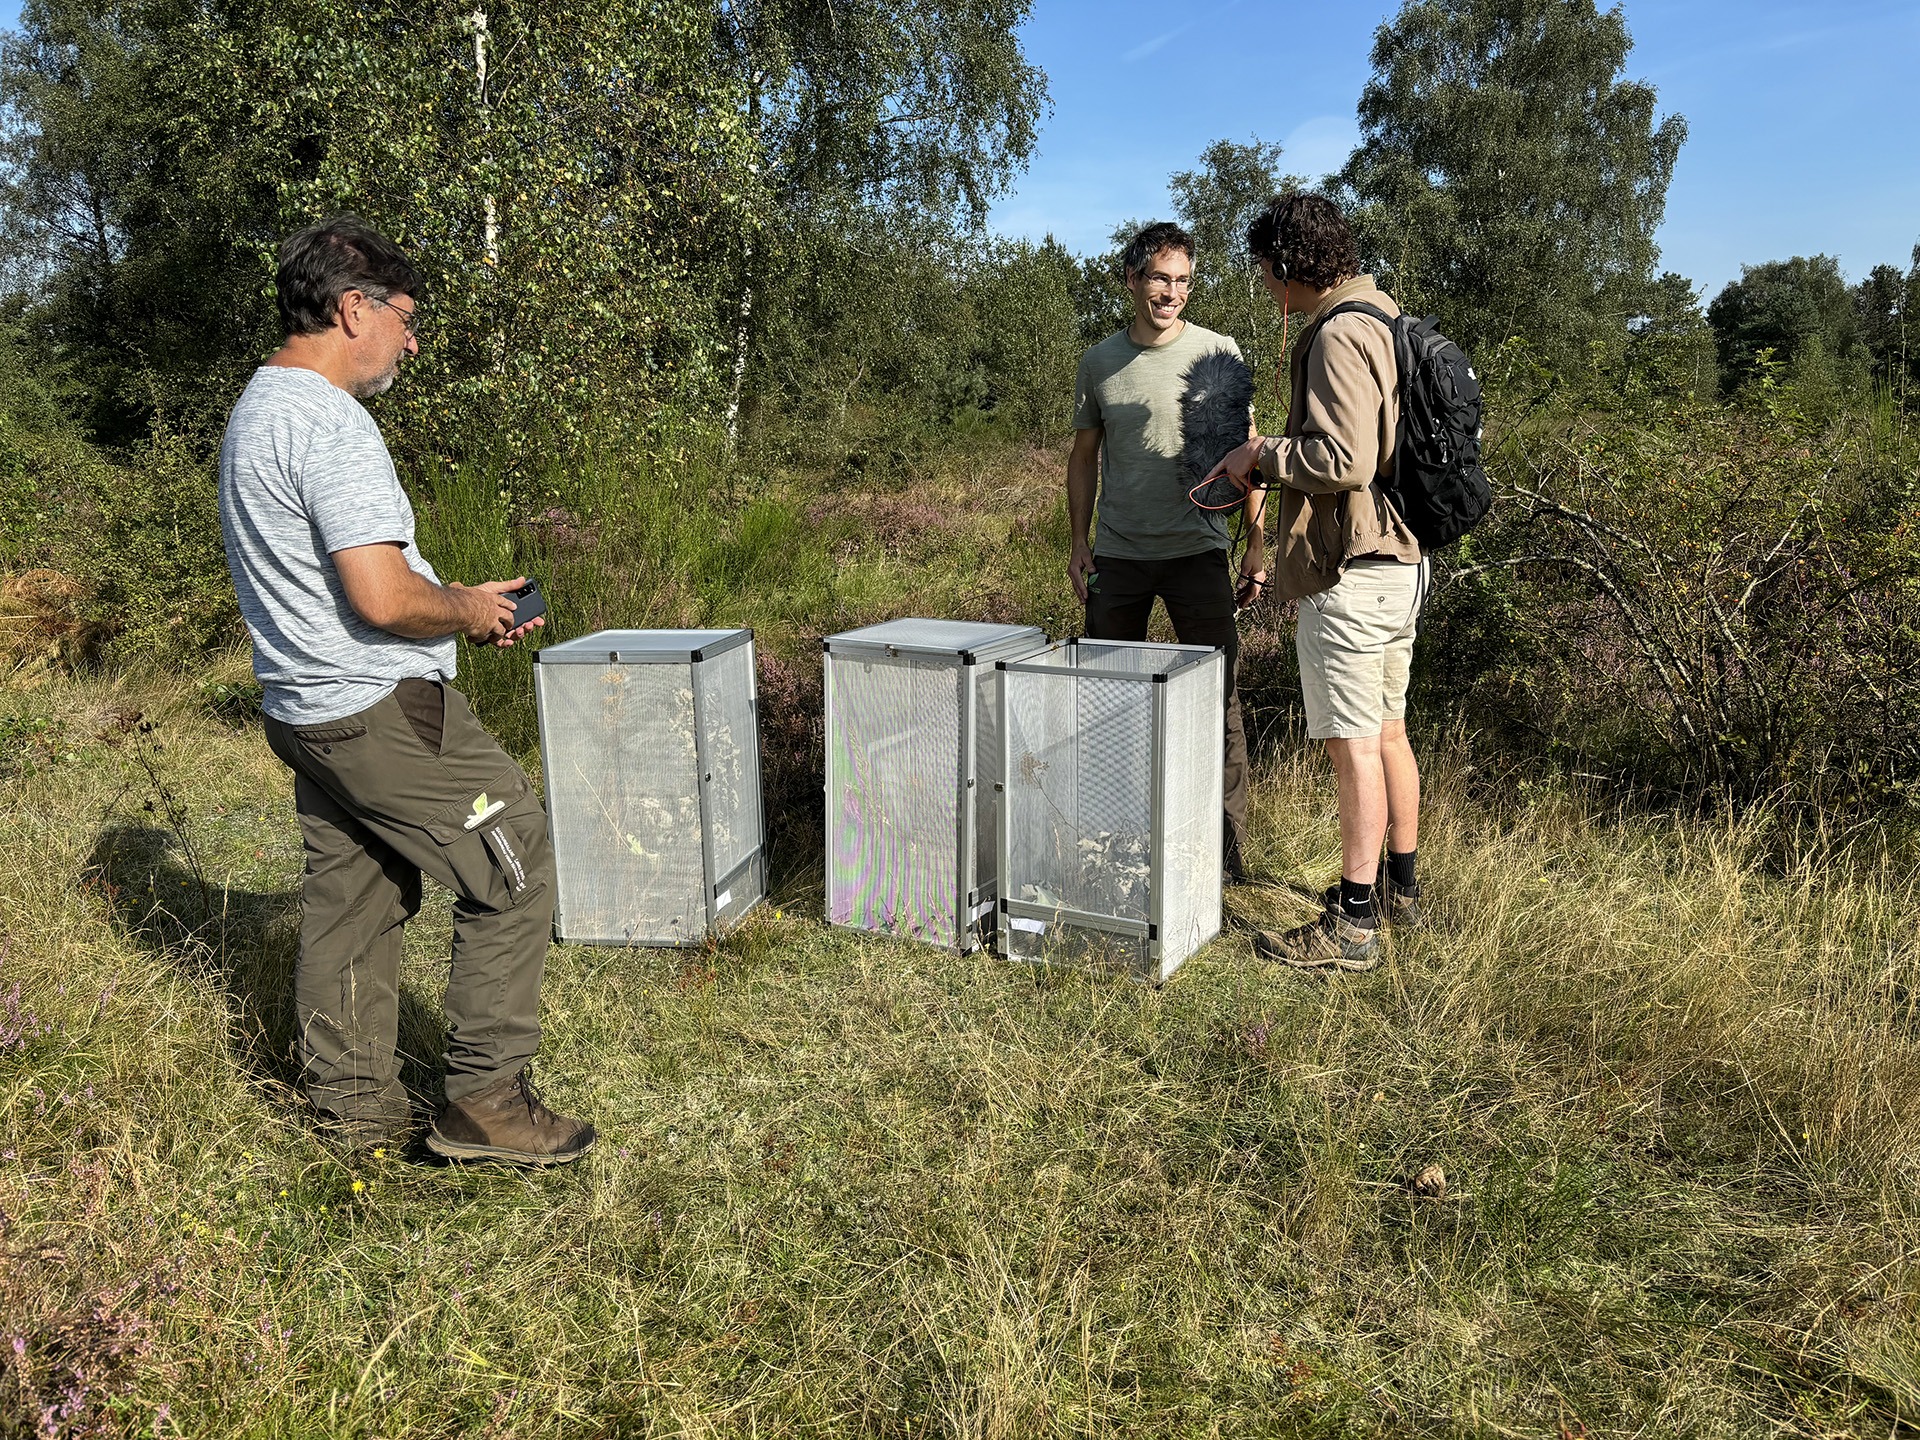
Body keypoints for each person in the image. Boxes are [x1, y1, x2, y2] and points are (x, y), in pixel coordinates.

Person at [217, 216, 595, 1163]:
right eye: (405, 317)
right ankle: (486, 1102)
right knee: (516, 861)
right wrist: (465, 611)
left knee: (355, 902)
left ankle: (355, 1120)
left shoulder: (257, 409)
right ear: (354, 309)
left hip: (305, 712)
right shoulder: (331, 423)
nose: (412, 341)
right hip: (380, 710)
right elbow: (383, 599)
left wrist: (465, 599)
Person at [1206, 194, 1428, 972]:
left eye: (1267, 273)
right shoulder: (1385, 316)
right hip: (1401, 559)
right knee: (1389, 730)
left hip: (1354, 568)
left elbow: (1343, 460)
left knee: (1353, 745)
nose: (1268, 289)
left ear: (1289, 267)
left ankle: (1353, 926)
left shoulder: (1337, 333)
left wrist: (1259, 455)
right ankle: (1399, 892)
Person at [1067, 221, 1266, 881]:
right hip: (1119, 557)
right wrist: (1079, 545)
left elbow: (1251, 455)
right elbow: (1083, 458)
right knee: (1103, 698)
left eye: (1181, 280)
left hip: (1198, 554)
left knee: (1219, 701)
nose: (1170, 292)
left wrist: (1256, 545)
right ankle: (1106, 846)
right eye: (1158, 278)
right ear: (1132, 280)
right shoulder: (1099, 363)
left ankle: (1224, 858)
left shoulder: (1220, 352)